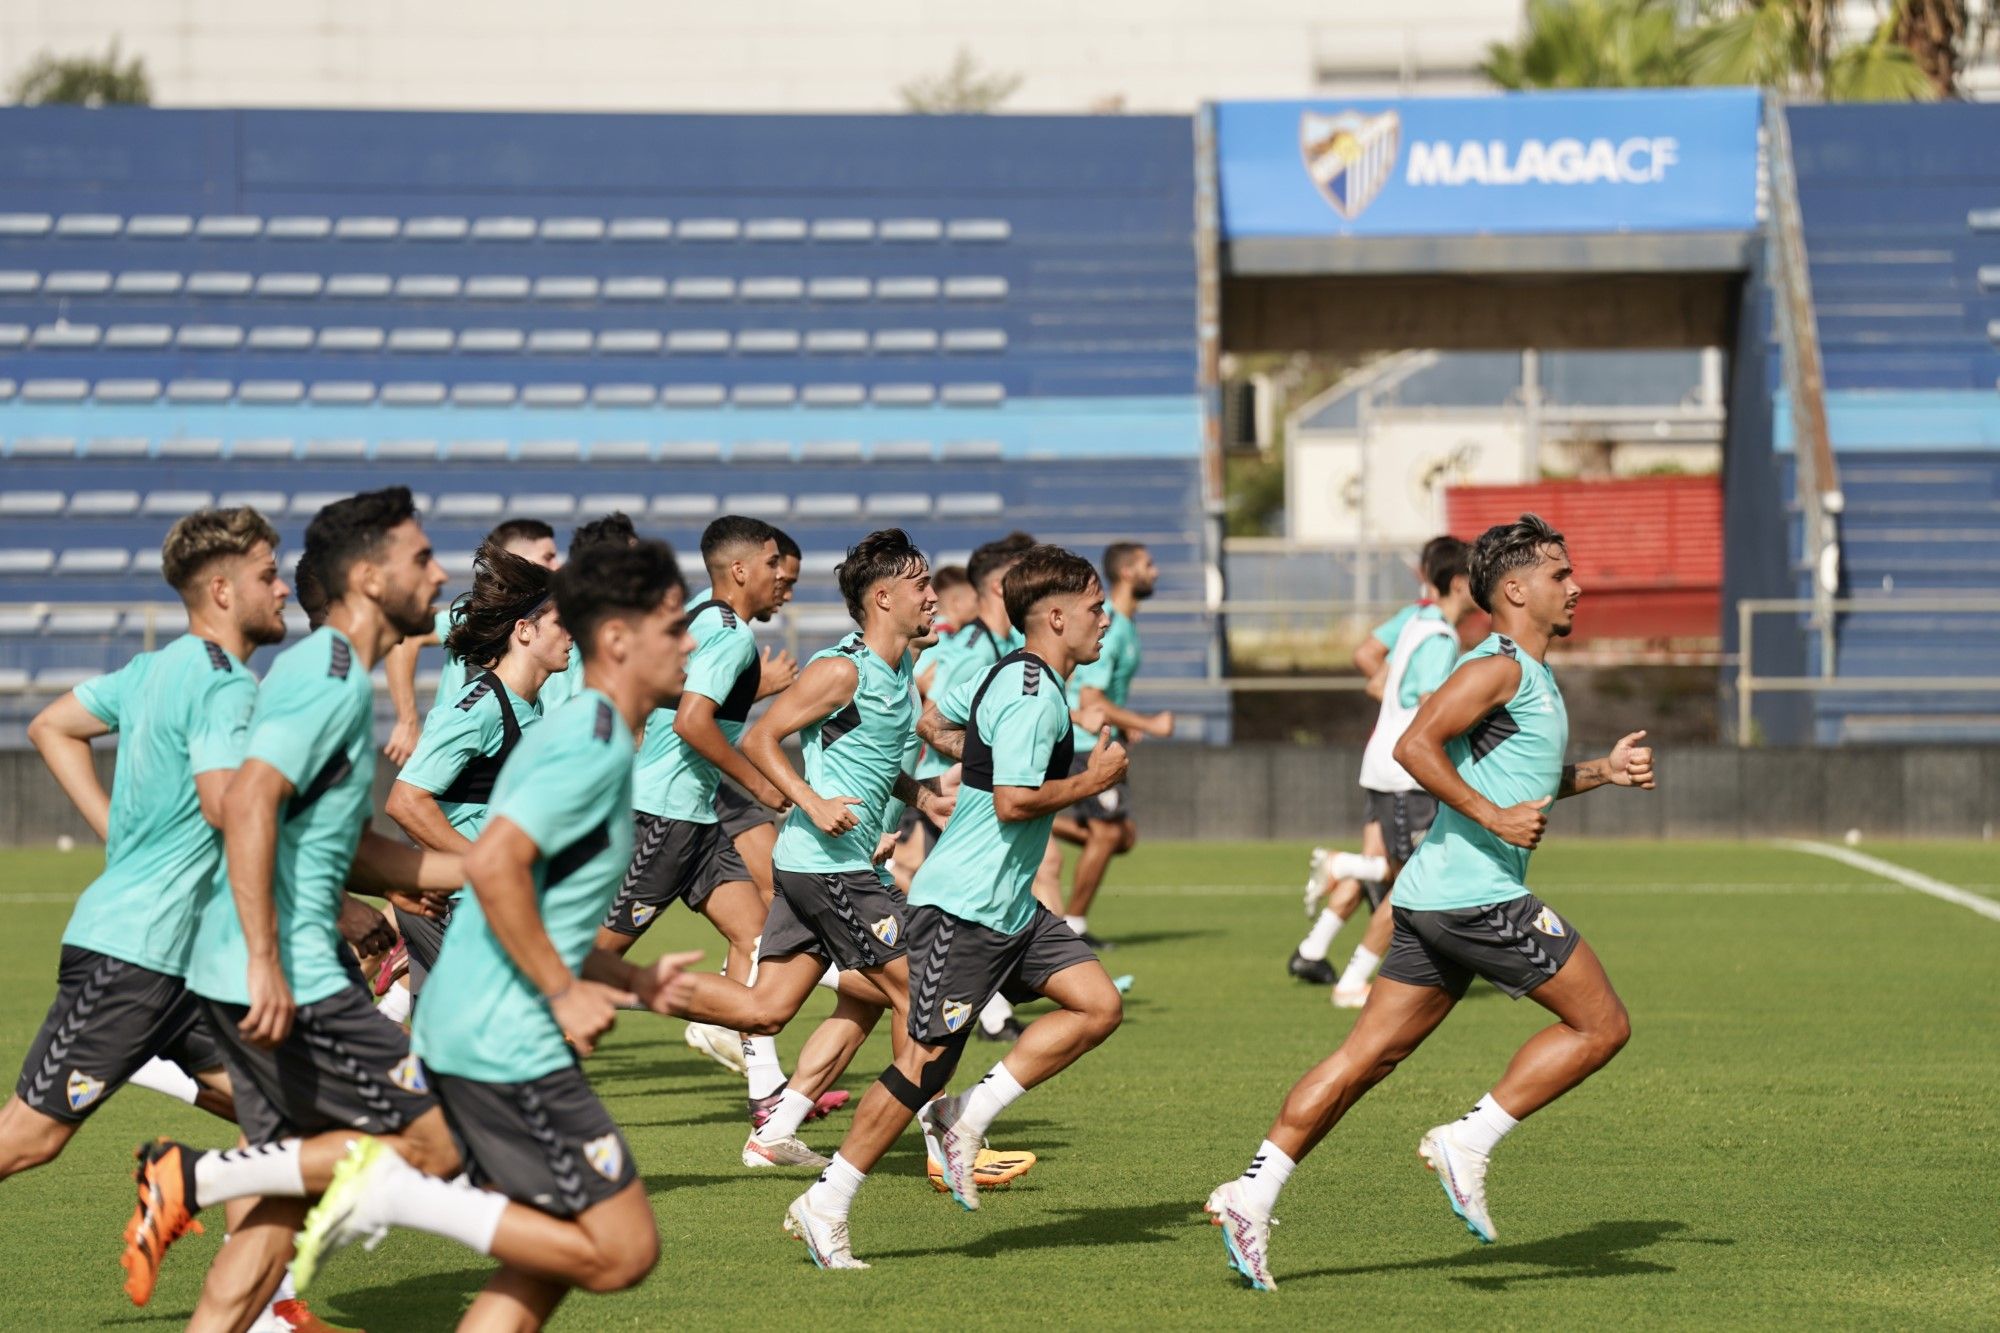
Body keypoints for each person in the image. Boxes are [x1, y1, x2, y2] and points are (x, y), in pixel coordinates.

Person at [1205, 514, 1653, 1291]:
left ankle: (1252, 1191)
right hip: (1474, 894)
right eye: (1560, 573)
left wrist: (1601, 772)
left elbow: (1525, 785)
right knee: (1602, 1022)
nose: (1575, 585)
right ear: (1515, 588)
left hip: (1432, 898)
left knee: (1363, 1058)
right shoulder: (1498, 667)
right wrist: (1493, 817)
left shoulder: (1528, 675)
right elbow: (1415, 745)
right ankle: (1469, 1140)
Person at [288, 538, 707, 1332]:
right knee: (622, 1249)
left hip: (486, 1027)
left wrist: (631, 981)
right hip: (502, 1038)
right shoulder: (586, 741)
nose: (691, 642)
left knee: (547, 1266)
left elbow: (526, 899)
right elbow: (500, 870)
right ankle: (394, 1192)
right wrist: (560, 989)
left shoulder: (590, 731)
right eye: (673, 625)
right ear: (616, 639)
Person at [122, 489, 469, 1328]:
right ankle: (189, 1176)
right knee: (444, 1137)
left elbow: (346, 846)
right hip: (289, 971)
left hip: (258, 966)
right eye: (421, 558)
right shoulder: (330, 677)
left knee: (273, 1223)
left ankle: (213, 1211)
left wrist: (483, 866)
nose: (440, 571)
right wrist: (268, 959)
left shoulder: (333, 680)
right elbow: (247, 805)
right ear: (366, 575)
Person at [784, 545, 1128, 1270]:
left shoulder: (1024, 677)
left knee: (1097, 1004)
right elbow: (1013, 801)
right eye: (1097, 608)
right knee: (920, 1065)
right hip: (964, 909)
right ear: (1056, 616)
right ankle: (826, 1200)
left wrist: (938, 768)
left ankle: (968, 1113)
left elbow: (955, 736)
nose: (1107, 620)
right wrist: (1094, 778)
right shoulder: (1035, 692)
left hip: (1009, 907)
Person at [2, 508, 287, 1185]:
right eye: (268, 574)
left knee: (276, 1113)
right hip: (135, 954)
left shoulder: (153, 668)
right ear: (222, 590)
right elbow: (228, 810)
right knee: (26, 1138)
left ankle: (265, 1294)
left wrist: (117, 833)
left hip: (184, 964)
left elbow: (51, 726)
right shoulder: (226, 684)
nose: (283, 589)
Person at [597, 516, 794, 1119]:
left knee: (754, 934)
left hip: (694, 817)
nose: (781, 578)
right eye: (772, 566)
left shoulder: (706, 620)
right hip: (662, 815)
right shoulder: (728, 635)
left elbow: (675, 703)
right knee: (587, 963)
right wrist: (756, 778)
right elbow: (691, 721)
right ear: (740, 569)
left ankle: (766, 1091)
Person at [384, 542, 575, 996]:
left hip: (481, 901)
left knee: (441, 1045)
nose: (574, 634)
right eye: (563, 623)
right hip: (454, 901)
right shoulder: (479, 708)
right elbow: (405, 800)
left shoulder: (532, 706)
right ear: (525, 631)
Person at [1289, 534, 1465, 986]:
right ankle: (1356, 971)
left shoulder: (1415, 620)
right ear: (1461, 582)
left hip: (1383, 760)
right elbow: (1428, 703)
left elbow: (1373, 669)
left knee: (1391, 869)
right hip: (1406, 768)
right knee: (1409, 879)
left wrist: (1397, 699)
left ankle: (1315, 950)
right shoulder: (1437, 632)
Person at [1058, 542, 1174, 947]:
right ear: (1127, 572)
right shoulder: (1115, 628)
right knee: (1108, 835)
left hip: (1102, 737)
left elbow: (1105, 696)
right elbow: (1090, 698)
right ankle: (1074, 925)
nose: (1155, 571)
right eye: (1148, 563)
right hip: (1087, 742)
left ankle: (1031, 816)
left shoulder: (1124, 624)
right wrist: (1150, 723)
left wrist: (1126, 723)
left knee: (1122, 836)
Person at [382, 517, 562, 763]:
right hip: (464, 761)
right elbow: (404, 638)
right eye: (548, 556)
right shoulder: (481, 616)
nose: (558, 565)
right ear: (515, 561)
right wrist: (407, 720)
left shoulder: (563, 630)